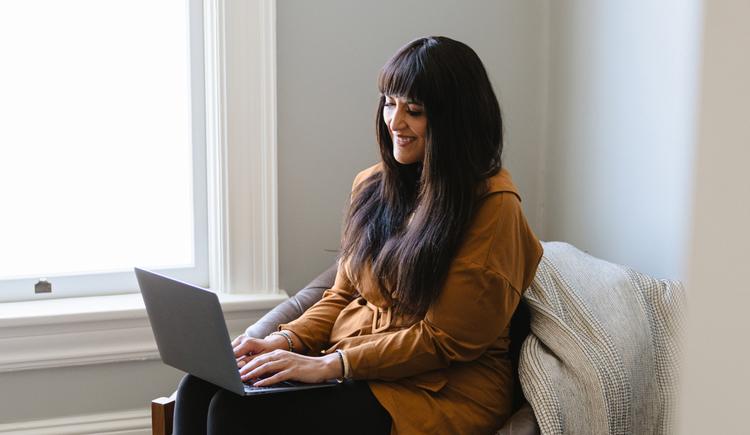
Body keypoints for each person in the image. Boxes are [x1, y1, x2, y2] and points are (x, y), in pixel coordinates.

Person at [173, 36, 543, 435]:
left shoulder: (493, 207)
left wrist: (332, 365)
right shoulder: (372, 186)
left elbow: (444, 341)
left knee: (235, 414)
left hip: (441, 390)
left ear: (455, 121)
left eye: (414, 110)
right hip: (361, 365)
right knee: (198, 387)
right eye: (389, 102)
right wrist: (288, 340)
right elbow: (341, 295)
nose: (395, 122)